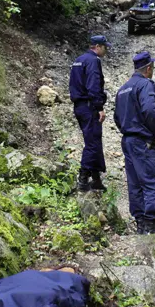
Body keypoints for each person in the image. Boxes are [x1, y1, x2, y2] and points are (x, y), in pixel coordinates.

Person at [114, 51, 155, 234]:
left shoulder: (123, 89)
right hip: (144, 142)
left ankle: (140, 224)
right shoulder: (145, 85)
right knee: (154, 181)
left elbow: (117, 117)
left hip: (128, 141)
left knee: (135, 182)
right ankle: (151, 226)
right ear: (149, 68)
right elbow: (151, 111)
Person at [69, 35, 110, 191]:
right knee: (92, 144)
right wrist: (99, 107)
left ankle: (97, 180)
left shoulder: (78, 60)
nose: (106, 50)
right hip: (89, 106)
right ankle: (83, 179)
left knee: (93, 141)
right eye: (105, 47)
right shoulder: (93, 61)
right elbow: (93, 85)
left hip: (79, 106)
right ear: (98, 46)